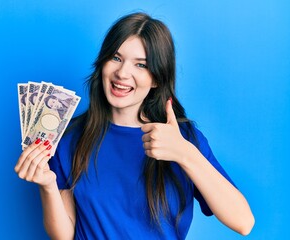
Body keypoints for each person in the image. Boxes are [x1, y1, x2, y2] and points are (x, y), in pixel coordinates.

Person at [14, 12, 255, 239]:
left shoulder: (184, 138)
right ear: (102, 63)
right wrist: (47, 186)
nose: (122, 73)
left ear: (157, 79)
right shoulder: (70, 138)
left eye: (141, 64)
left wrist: (185, 153)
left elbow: (243, 222)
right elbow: (64, 235)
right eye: (116, 58)